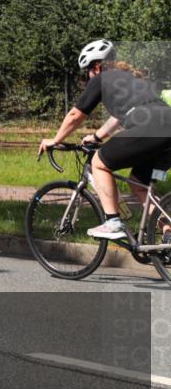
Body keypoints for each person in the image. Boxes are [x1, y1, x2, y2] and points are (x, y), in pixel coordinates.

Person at [39, 40, 171, 242]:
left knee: (99, 164)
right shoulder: (133, 80)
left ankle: (113, 222)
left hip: (149, 130)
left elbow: (76, 115)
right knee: (139, 184)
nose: (88, 77)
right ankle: (168, 232)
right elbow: (120, 116)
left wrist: (55, 140)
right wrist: (97, 136)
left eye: (88, 71)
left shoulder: (102, 79)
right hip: (166, 135)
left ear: (97, 66)